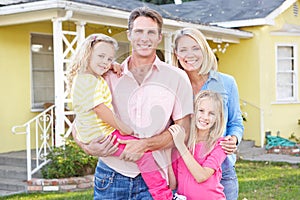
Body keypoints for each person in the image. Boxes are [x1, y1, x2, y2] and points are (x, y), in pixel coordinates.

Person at [72, 7, 193, 200]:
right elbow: (81, 118)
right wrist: (86, 146)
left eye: (151, 32)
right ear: (129, 35)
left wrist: (144, 145)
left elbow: (183, 131)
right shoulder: (106, 75)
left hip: (154, 178)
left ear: (159, 37)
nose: (144, 38)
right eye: (138, 31)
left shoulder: (177, 78)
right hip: (111, 175)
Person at [173, 27, 244, 200]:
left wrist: (233, 139)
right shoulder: (174, 86)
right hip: (183, 170)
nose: (190, 54)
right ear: (176, 54)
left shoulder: (225, 83)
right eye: (183, 49)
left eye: (195, 48)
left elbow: (235, 122)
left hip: (221, 169)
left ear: (204, 50)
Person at [169, 90, 227, 200]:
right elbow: (173, 184)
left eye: (211, 113)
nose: (205, 117)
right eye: (201, 111)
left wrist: (181, 146)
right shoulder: (182, 144)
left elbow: (201, 176)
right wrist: (167, 152)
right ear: (193, 113)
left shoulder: (220, 145)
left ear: (217, 118)